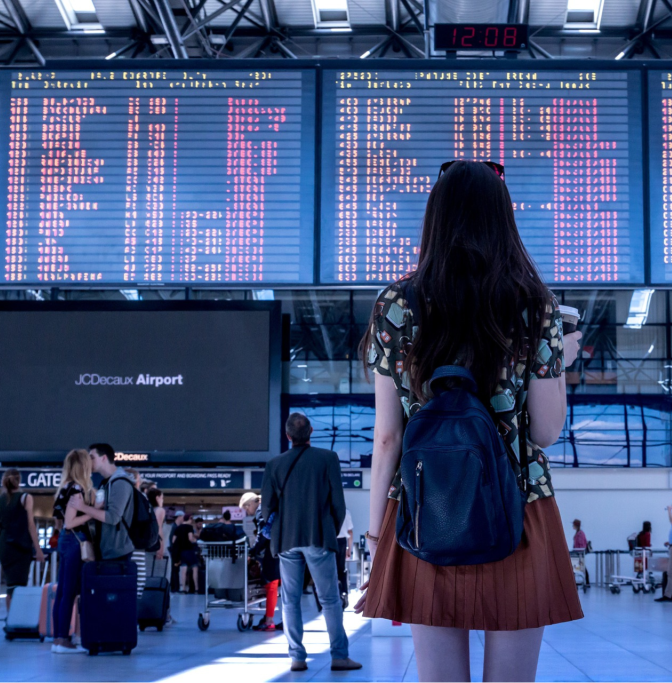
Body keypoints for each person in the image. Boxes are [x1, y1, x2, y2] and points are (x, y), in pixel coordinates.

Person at [355, 160, 584, 683]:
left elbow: (388, 436)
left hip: (423, 508)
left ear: (434, 218)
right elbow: (546, 432)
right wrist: (557, 363)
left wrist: (374, 534)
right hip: (518, 508)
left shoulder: (397, 304)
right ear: (503, 220)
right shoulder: (534, 306)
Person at [262, 412, 360, 673]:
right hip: (318, 536)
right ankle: (339, 656)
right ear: (312, 431)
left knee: (290, 600)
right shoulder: (327, 459)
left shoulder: (274, 464)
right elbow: (339, 504)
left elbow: (266, 508)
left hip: (286, 541)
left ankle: (297, 658)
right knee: (329, 599)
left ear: (287, 435)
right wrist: (330, 530)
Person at [51, 449, 95, 653]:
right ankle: (62, 639)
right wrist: (93, 512)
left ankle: (58, 638)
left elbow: (61, 522)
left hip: (64, 541)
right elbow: (70, 522)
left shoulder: (63, 488)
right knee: (68, 592)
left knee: (61, 592)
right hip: (76, 542)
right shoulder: (77, 489)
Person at [0, 468, 46, 611]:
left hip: (5, 547)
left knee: (11, 584)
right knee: (19, 584)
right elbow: (31, 526)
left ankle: (11, 619)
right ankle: (17, 618)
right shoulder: (25, 497)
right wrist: (38, 550)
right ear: (19, 480)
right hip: (21, 547)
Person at [68, 444, 135, 563]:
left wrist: (82, 507)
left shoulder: (120, 483)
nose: (89, 461)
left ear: (104, 458)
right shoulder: (106, 483)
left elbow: (113, 517)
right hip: (108, 551)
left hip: (117, 553)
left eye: (92, 457)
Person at [240, 492, 280, 632]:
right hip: (283, 547)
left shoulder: (261, 510)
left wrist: (253, 550)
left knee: (271, 585)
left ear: (250, 504)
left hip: (273, 550)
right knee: (279, 586)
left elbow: (265, 532)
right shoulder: (270, 506)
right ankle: (276, 618)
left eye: (246, 509)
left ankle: (269, 621)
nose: (247, 512)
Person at [146, 488, 173, 624]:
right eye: (162, 497)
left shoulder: (147, 510)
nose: (163, 500)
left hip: (148, 550)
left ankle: (149, 611)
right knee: (164, 582)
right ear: (157, 497)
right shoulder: (160, 511)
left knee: (149, 581)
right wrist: (161, 548)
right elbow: (159, 529)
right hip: (159, 550)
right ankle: (165, 614)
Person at [172, 514, 200, 593]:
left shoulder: (178, 528)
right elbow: (190, 538)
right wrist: (195, 541)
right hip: (189, 551)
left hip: (181, 551)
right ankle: (196, 588)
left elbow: (173, 541)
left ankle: (183, 588)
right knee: (195, 568)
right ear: (190, 519)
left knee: (183, 570)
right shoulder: (189, 527)